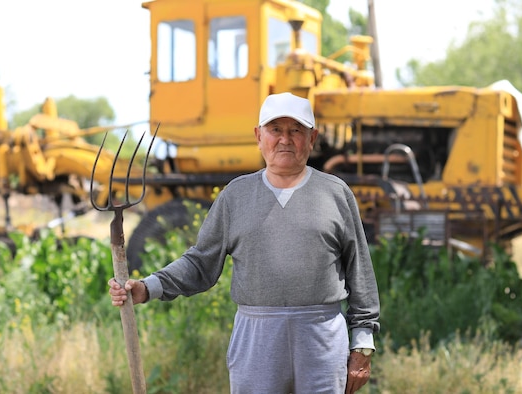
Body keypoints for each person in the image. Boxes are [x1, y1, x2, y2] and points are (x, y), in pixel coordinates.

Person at [109, 92, 381, 393]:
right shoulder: (235, 196)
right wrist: (148, 287)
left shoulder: (335, 194)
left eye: (296, 130)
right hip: (256, 339)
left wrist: (363, 345)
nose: (285, 139)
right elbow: (201, 262)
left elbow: (361, 272)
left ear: (312, 137)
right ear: (258, 136)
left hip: (321, 337)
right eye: (275, 129)